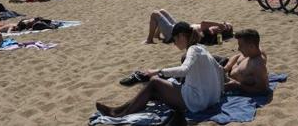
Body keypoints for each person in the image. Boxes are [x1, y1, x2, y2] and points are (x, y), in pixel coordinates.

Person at [96, 22, 224, 117]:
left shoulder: (193, 49)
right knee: (153, 93)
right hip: (210, 100)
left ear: (181, 36)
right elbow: (219, 69)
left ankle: (120, 115)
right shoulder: (202, 48)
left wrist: (158, 71)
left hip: (197, 102)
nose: (174, 43)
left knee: (154, 82)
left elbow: (184, 69)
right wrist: (219, 93)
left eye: (174, 40)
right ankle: (118, 110)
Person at [145, 9, 233, 45]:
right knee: (162, 11)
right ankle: (156, 35)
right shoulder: (216, 30)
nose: (224, 23)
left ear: (225, 30)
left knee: (154, 14)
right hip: (178, 28)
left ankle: (149, 40)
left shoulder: (214, 31)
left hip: (174, 33)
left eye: (226, 25)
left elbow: (203, 23)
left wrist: (219, 25)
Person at [224, 29, 269, 94]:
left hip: (229, 81)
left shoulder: (258, 66)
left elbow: (262, 90)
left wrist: (238, 86)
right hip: (225, 64)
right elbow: (237, 56)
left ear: (251, 46)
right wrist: (226, 68)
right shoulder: (252, 51)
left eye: (241, 46)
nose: (238, 48)